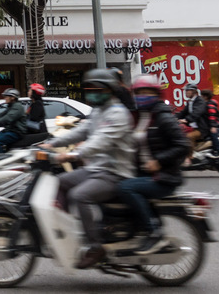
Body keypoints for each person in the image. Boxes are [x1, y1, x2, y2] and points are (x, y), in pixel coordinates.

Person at [40, 69, 136, 269]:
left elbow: (100, 142)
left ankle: (95, 247)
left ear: (109, 90)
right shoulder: (98, 111)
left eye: (96, 89)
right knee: (59, 182)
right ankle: (66, 234)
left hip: (114, 172)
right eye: (89, 89)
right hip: (95, 169)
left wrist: (72, 155)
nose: (91, 93)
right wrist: (52, 143)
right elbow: (81, 131)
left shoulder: (118, 113)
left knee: (79, 195)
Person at [118, 75, 191, 255]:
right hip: (143, 173)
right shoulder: (140, 116)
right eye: (139, 92)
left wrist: (159, 161)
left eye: (147, 92)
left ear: (156, 94)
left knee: (125, 188)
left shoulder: (162, 117)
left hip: (164, 177)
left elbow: (183, 145)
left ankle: (153, 231)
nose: (142, 96)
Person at [0, 88, 27, 154]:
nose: (5, 98)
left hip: (16, 132)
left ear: (12, 97)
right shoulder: (11, 106)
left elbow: (7, 118)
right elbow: (1, 115)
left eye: (6, 96)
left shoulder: (17, 107)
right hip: (10, 130)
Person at [177, 83, 208, 151]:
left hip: (201, 128)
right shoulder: (190, 102)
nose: (186, 92)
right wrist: (172, 117)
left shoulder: (200, 101)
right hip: (192, 127)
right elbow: (182, 113)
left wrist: (187, 120)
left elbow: (197, 113)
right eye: (185, 91)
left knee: (188, 137)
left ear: (194, 91)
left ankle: (190, 158)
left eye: (188, 90)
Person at [200, 89, 219, 158]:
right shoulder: (206, 104)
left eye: (202, 95)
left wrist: (213, 126)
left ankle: (218, 151)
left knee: (213, 135)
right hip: (213, 124)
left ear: (205, 97)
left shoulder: (210, 105)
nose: (200, 96)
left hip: (217, 124)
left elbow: (212, 116)